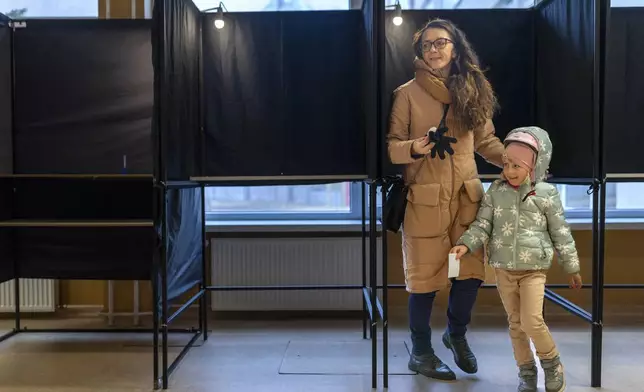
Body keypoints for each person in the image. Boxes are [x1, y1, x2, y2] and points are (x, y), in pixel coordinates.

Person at [387, 18, 506, 380]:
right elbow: (392, 148)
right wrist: (415, 147)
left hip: (467, 199)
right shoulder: (406, 93)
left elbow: (486, 142)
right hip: (425, 201)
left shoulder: (474, 88)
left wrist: (516, 161)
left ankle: (456, 336)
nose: (434, 50)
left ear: (455, 47)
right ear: (420, 52)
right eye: (427, 45)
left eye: (441, 43)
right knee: (423, 282)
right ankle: (421, 351)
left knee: (470, 275)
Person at [450, 126, 582, 392]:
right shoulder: (496, 192)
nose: (509, 171)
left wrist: (572, 266)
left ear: (534, 166)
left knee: (532, 320)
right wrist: (465, 244)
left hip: (533, 269)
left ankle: (551, 363)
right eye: (506, 164)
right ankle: (526, 371)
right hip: (503, 269)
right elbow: (482, 225)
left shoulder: (546, 194)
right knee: (515, 324)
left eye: (517, 166)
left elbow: (561, 232)